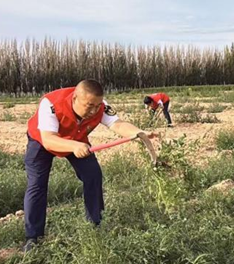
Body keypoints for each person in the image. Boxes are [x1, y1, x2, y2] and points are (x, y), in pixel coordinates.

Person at [23, 79, 151, 252]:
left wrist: (139, 133)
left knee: (93, 175)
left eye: (97, 106)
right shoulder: (51, 104)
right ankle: (33, 237)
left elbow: (117, 124)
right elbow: (48, 140)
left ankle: (95, 226)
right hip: (42, 141)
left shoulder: (100, 105)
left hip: (77, 139)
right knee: (37, 184)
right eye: (89, 106)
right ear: (75, 98)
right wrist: (74, 146)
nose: (94, 111)